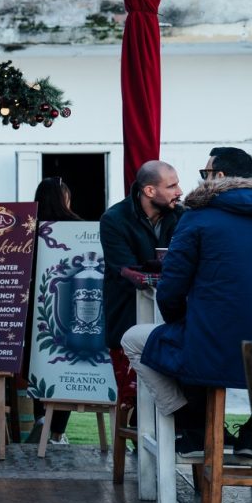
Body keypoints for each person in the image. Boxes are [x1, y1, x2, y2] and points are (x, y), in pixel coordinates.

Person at [121, 147, 252, 458]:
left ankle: (194, 426)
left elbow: (171, 290)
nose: (201, 179)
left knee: (134, 339)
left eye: (206, 173)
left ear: (218, 176)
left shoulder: (196, 218)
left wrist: (181, 322)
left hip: (211, 347)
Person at [99, 160, 185, 420]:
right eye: (172, 186)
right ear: (149, 191)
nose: (179, 191)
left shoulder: (183, 216)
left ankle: (183, 438)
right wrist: (173, 270)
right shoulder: (114, 219)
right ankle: (138, 442)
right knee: (135, 404)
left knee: (181, 396)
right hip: (128, 320)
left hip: (173, 321)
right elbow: (127, 272)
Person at [25, 177, 83, 445]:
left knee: (37, 362)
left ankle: (40, 419)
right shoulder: (77, 228)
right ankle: (58, 431)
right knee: (64, 365)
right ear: (64, 198)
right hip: (67, 306)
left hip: (32, 308)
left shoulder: (28, 228)